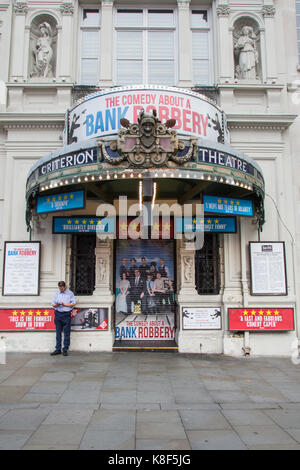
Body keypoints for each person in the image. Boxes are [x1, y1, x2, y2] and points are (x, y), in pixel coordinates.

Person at [51, 281, 76, 356]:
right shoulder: (56, 294)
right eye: (59, 287)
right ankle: (58, 348)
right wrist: (58, 304)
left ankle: (65, 349)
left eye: (62, 287)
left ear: (65, 286)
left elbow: (73, 303)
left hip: (66, 314)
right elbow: (53, 304)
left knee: (66, 333)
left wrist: (65, 304)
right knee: (58, 332)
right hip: (58, 313)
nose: (61, 289)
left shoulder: (70, 294)